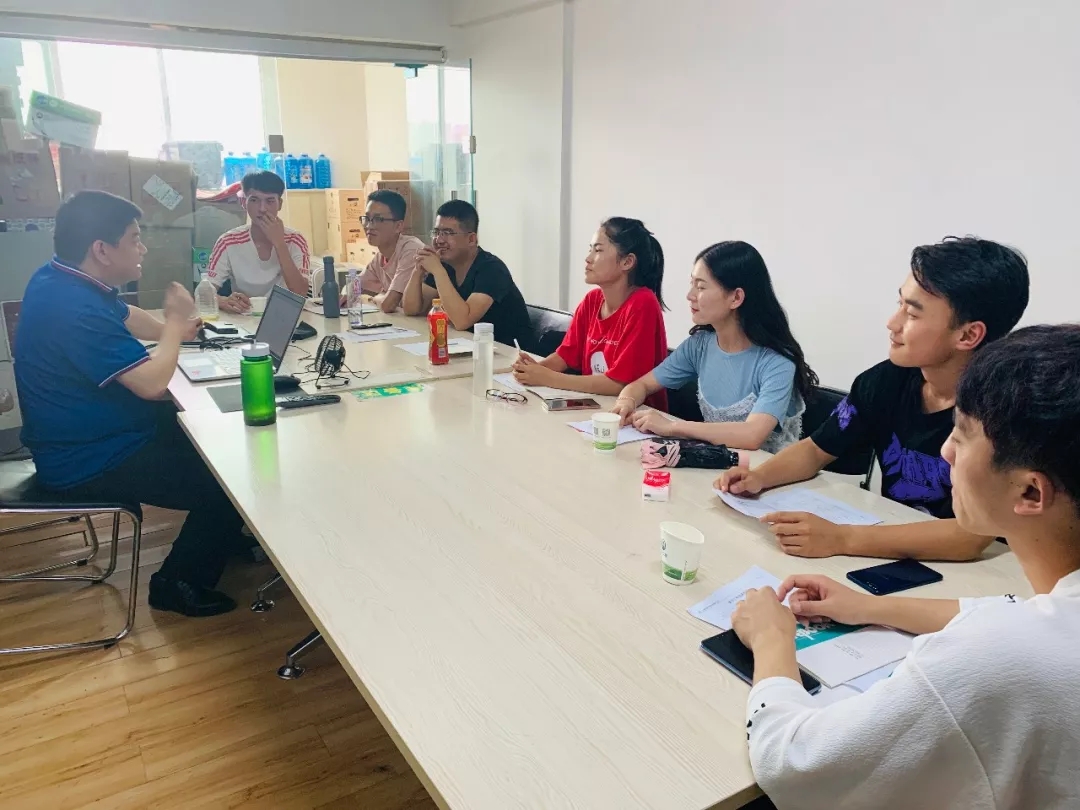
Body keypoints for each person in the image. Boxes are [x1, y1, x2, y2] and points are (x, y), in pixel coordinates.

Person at [730, 324, 1080, 810]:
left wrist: (771, 639)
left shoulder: (993, 658)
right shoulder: (1046, 620)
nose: (946, 451)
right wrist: (869, 607)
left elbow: (795, 762)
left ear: (1029, 492)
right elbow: (1015, 611)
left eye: (962, 436)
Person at [717, 236, 1029, 560]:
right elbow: (816, 450)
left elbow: (970, 537)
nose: (892, 324)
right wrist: (759, 478)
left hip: (988, 573)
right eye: (900, 304)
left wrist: (843, 538)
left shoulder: (1006, 411)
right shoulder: (886, 380)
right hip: (895, 544)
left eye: (912, 314)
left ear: (968, 335)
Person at [14, 190, 244, 617]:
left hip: (101, 433)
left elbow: (123, 315)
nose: (143, 248)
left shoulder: (62, 277)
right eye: (135, 239)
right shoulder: (73, 307)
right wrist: (173, 324)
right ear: (101, 250)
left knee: (216, 432)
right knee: (230, 479)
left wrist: (174, 331)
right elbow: (152, 384)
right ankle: (176, 584)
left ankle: (225, 533)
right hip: (87, 459)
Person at [613, 241, 815, 453]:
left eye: (700, 287)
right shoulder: (699, 345)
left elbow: (752, 435)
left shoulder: (777, 362)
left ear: (736, 297)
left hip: (767, 469)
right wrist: (626, 402)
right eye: (692, 284)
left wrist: (672, 427)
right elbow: (642, 385)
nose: (690, 295)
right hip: (718, 464)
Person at [511, 218, 669, 408]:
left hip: (635, 415)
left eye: (598, 250)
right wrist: (533, 370)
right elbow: (565, 356)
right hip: (595, 407)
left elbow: (619, 384)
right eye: (590, 249)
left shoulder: (643, 303)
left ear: (627, 262)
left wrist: (548, 378)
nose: (588, 258)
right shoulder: (592, 300)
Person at [401, 199, 531, 347]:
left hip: (507, 353)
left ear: (471, 239)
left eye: (448, 233)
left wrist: (437, 271)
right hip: (468, 346)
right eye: (436, 232)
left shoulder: (492, 269)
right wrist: (418, 270)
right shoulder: (445, 264)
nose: (439, 240)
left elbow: (462, 321)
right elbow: (411, 309)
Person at [207, 170, 310, 313]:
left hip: (284, 316)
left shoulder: (295, 240)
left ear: (279, 204)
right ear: (244, 202)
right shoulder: (228, 241)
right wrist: (222, 300)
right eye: (254, 200)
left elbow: (300, 293)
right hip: (243, 316)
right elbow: (204, 292)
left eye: (270, 201)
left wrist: (279, 243)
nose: (262, 209)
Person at [347, 189, 424, 314]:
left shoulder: (411, 250)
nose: (369, 226)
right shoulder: (380, 256)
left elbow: (388, 304)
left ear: (398, 226)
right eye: (367, 218)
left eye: (378, 219)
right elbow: (353, 287)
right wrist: (348, 294)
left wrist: (372, 298)